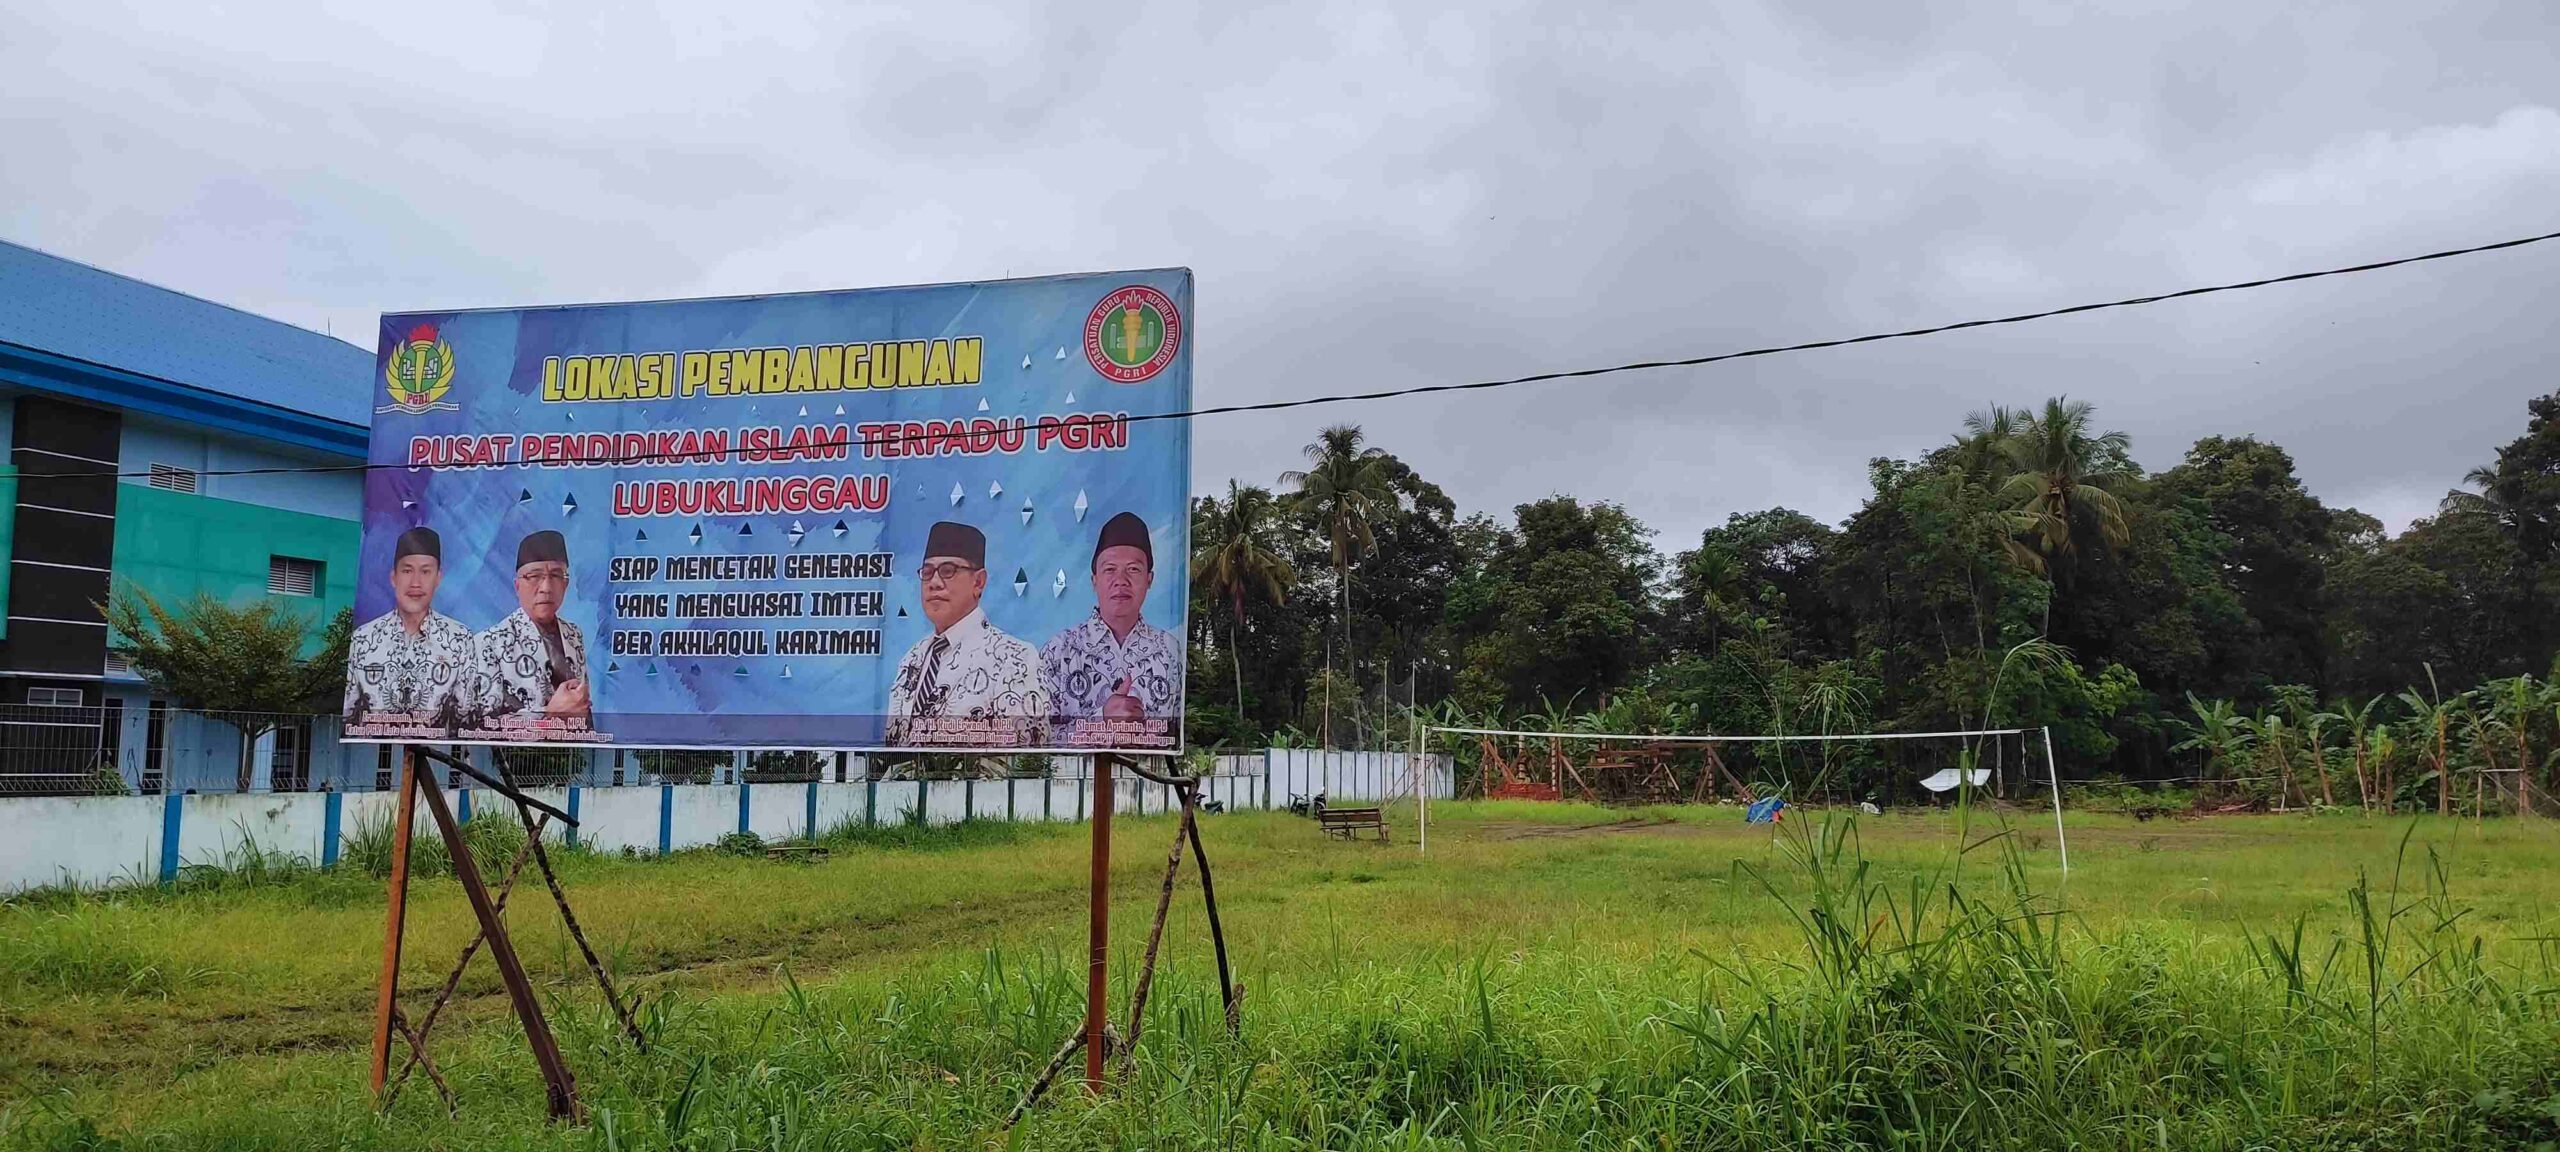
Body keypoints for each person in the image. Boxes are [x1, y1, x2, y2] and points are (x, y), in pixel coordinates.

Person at [885, 520, 1045, 744]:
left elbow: (1027, 759)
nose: (934, 583)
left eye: (948, 571)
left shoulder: (1014, 657)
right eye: (928, 572)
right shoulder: (912, 659)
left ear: (978, 582)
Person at [1042, 511, 1180, 722]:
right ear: (1094, 579)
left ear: (1149, 579)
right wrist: (1102, 720)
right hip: (1078, 758)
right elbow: (1038, 738)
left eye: (1133, 569)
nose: (1120, 580)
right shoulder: (1059, 650)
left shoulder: (1169, 651)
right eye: (1110, 569)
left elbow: (1175, 733)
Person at [343, 527, 475, 730]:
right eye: (407, 571)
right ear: (393, 577)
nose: (415, 583)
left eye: (425, 571)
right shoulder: (363, 639)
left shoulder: (459, 639)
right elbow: (350, 714)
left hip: (437, 752)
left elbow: (467, 715)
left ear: (438, 578)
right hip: (377, 749)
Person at [471, 529, 592, 727]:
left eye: (555, 575)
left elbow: (582, 708)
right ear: (517, 586)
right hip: (518, 756)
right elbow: (483, 726)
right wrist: (550, 716)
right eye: (534, 576)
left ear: (566, 584)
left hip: (573, 753)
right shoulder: (488, 643)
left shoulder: (573, 634)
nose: (546, 587)